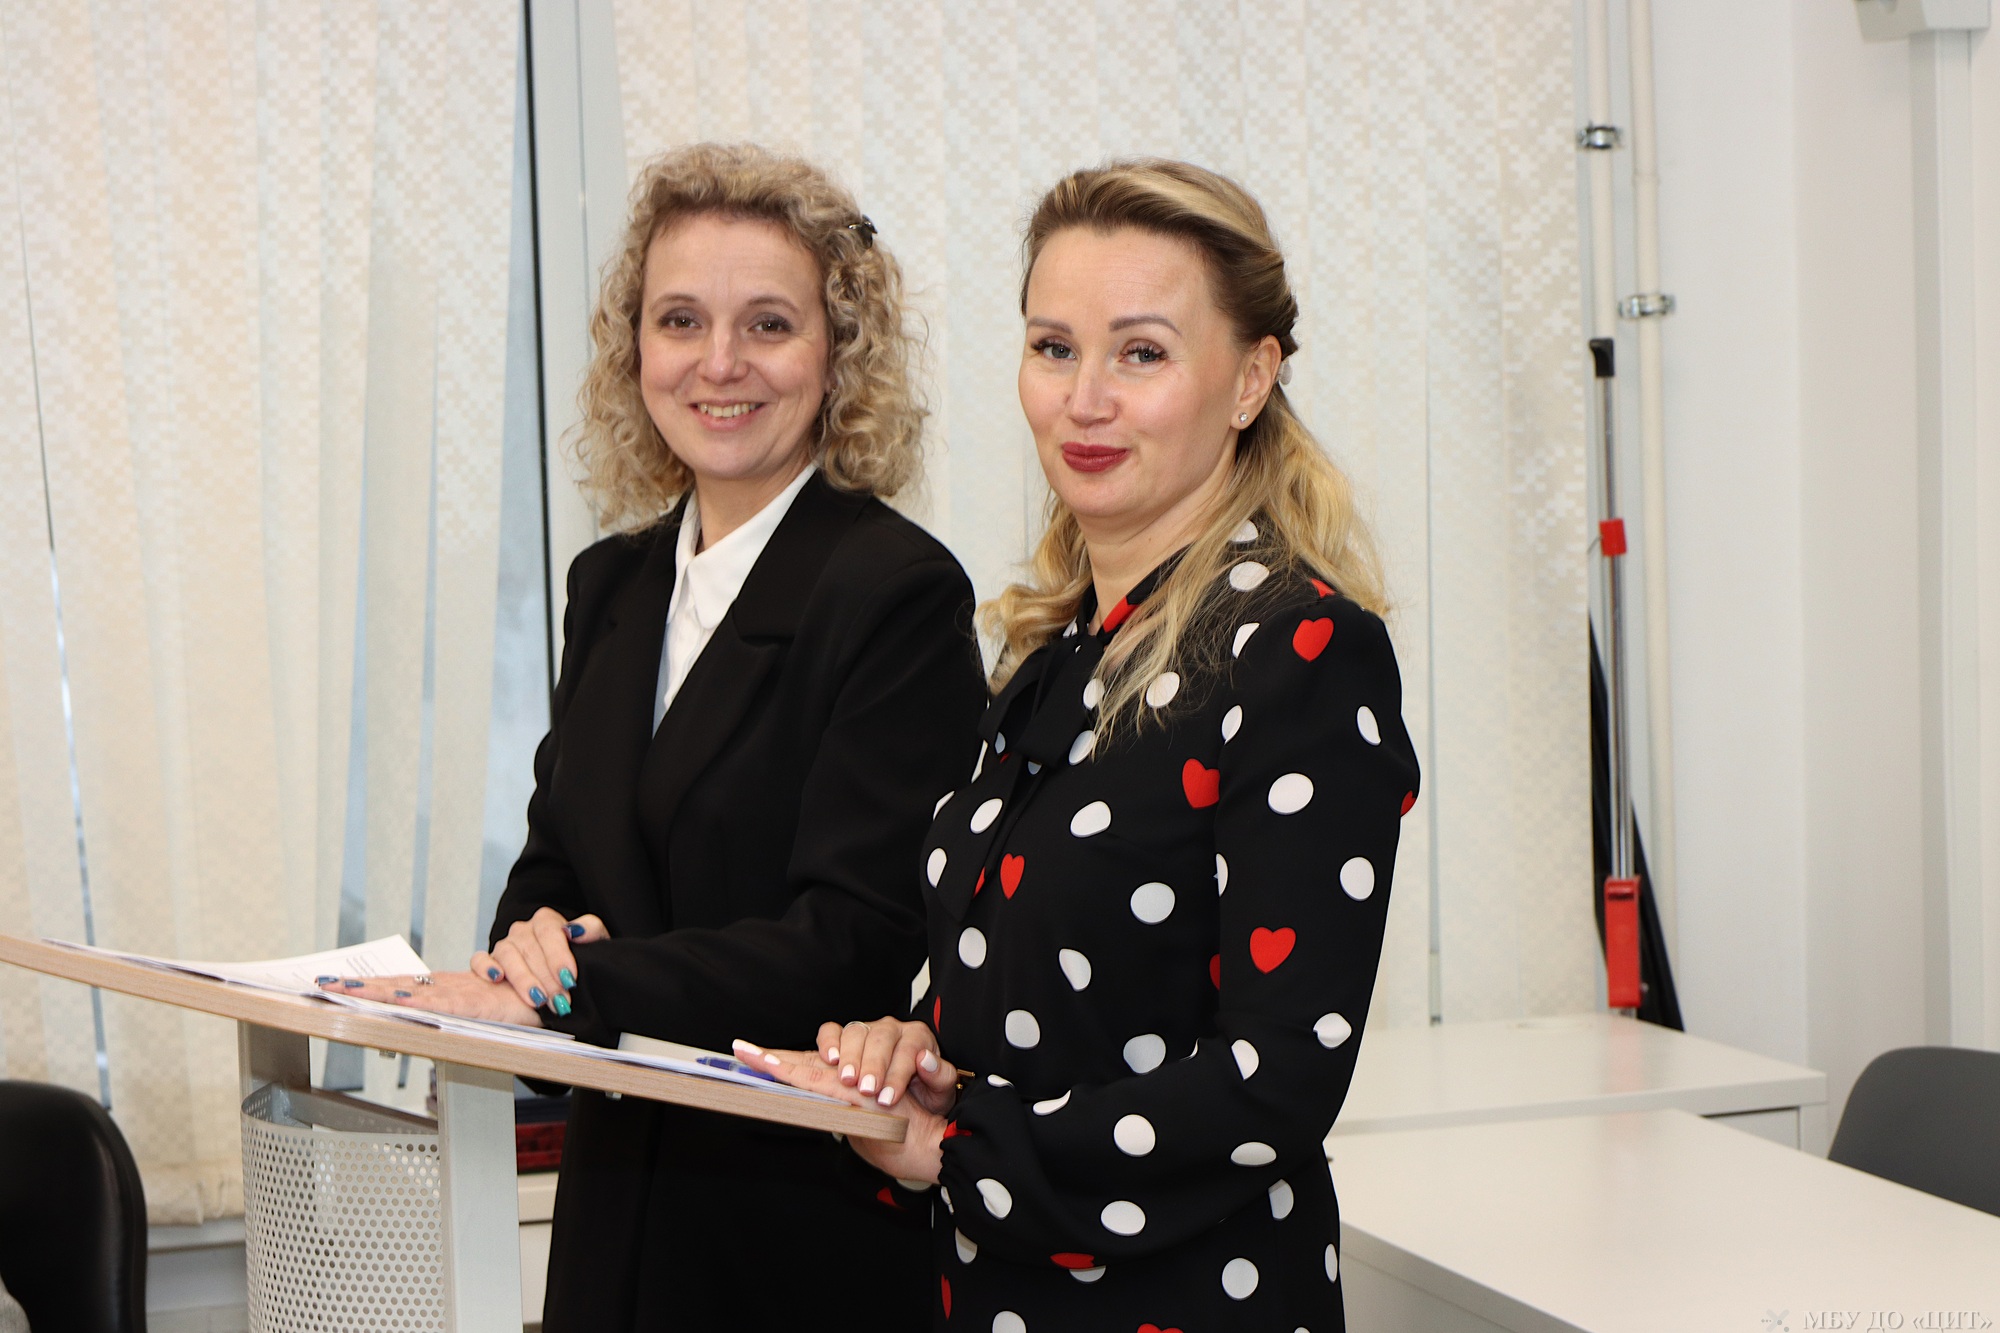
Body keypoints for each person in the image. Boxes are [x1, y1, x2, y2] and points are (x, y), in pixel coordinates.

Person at [741, 159, 1421, 1331]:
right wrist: (920, 1049)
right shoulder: (1055, 656)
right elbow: (1027, 994)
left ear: (1250, 378)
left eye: (1140, 353)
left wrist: (959, 1145)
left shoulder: (1299, 650)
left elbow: (1276, 1080)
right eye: (1052, 348)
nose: (1083, 399)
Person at [330, 142, 985, 1333]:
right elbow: (550, 873)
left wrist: (570, 981)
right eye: (680, 320)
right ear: (633, 347)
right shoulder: (611, 586)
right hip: (612, 1218)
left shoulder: (893, 593)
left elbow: (849, 947)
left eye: (768, 324)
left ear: (838, 353)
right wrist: (533, 943)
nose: (718, 363)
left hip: (790, 1234)